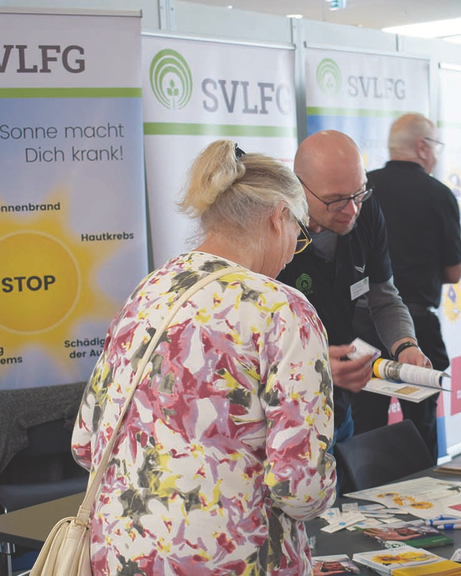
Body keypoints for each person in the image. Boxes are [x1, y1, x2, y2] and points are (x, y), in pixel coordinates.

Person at [71, 140, 337, 574]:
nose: (294, 250)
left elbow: (86, 443)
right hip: (232, 559)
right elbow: (300, 486)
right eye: (299, 233)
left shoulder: (149, 292)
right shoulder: (282, 309)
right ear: (278, 218)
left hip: (124, 554)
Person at [277, 130, 431, 458]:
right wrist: (313, 369)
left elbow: (384, 297)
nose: (351, 211)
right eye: (335, 200)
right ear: (299, 188)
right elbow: (253, 344)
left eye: (358, 193)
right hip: (288, 417)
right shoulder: (275, 232)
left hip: (340, 406)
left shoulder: (366, 212)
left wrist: (406, 346)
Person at [351, 113, 461, 459]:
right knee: (420, 426)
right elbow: (454, 272)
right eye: (437, 146)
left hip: (360, 325)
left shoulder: (360, 191)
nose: (438, 155)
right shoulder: (439, 195)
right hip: (416, 328)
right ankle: (425, 496)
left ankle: (362, 500)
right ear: (422, 147)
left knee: (365, 428)